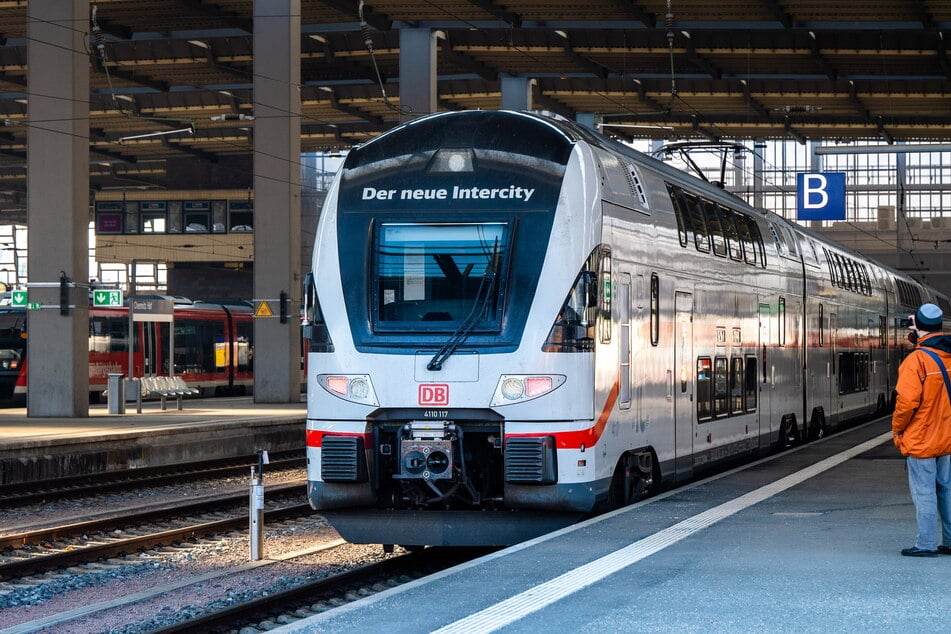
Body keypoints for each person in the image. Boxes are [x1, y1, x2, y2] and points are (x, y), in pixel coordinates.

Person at [892, 302, 951, 557]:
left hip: (921, 440)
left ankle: (926, 544)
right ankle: (949, 542)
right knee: (947, 489)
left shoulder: (916, 361)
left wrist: (897, 430)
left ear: (918, 328)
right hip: (948, 437)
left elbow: (905, 403)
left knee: (924, 491)